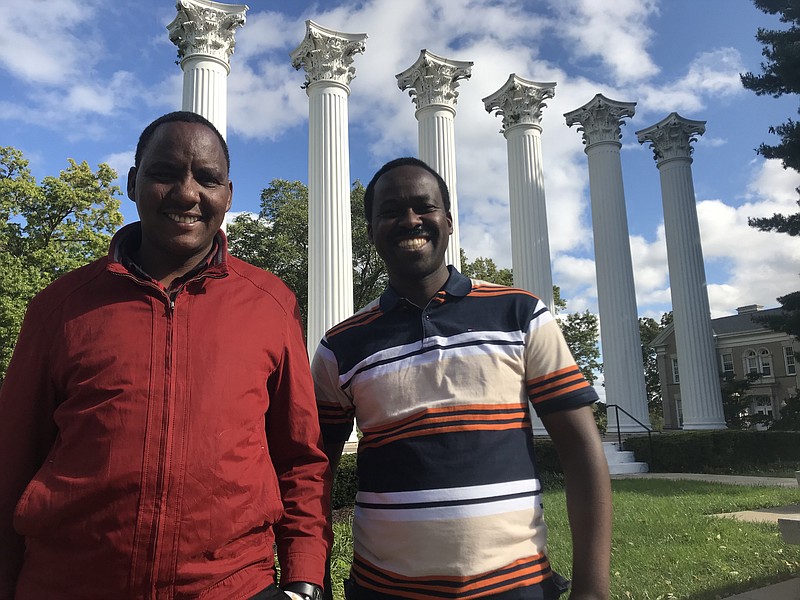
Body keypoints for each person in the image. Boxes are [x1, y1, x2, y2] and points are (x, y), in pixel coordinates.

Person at [0, 111, 329, 600]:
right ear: (133, 183)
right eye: (165, 174)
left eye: (207, 179)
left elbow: (299, 458)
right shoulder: (60, 307)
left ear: (228, 195)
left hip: (229, 587)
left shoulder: (271, 305)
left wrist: (304, 580)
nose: (187, 193)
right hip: (71, 583)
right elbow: (12, 460)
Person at [312, 157, 612, 600]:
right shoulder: (341, 345)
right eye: (391, 210)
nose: (410, 219)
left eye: (424, 207)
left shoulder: (520, 314)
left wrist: (592, 589)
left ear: (449, 221)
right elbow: (313, 474)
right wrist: (312, 579)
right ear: (371, 229)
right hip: (383, 591)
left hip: (517, 588)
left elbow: (582, 452)